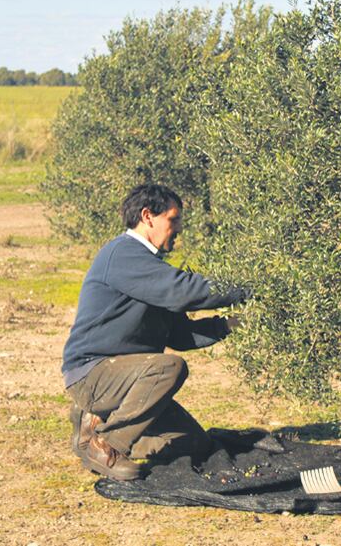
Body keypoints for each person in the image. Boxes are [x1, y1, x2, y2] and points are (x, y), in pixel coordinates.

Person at [61, 183, 247, 480]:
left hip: (123, 379)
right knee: (168, 368)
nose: (179, 229)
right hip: (92, 374)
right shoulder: (124, 254)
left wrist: (229, 326)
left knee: (195, 445)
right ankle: (107, 444)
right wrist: (243, 289)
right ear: (148, 216)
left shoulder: (148, 266)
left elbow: (180, 337)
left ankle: (95, 421)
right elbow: (183, 291)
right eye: (173, 220)